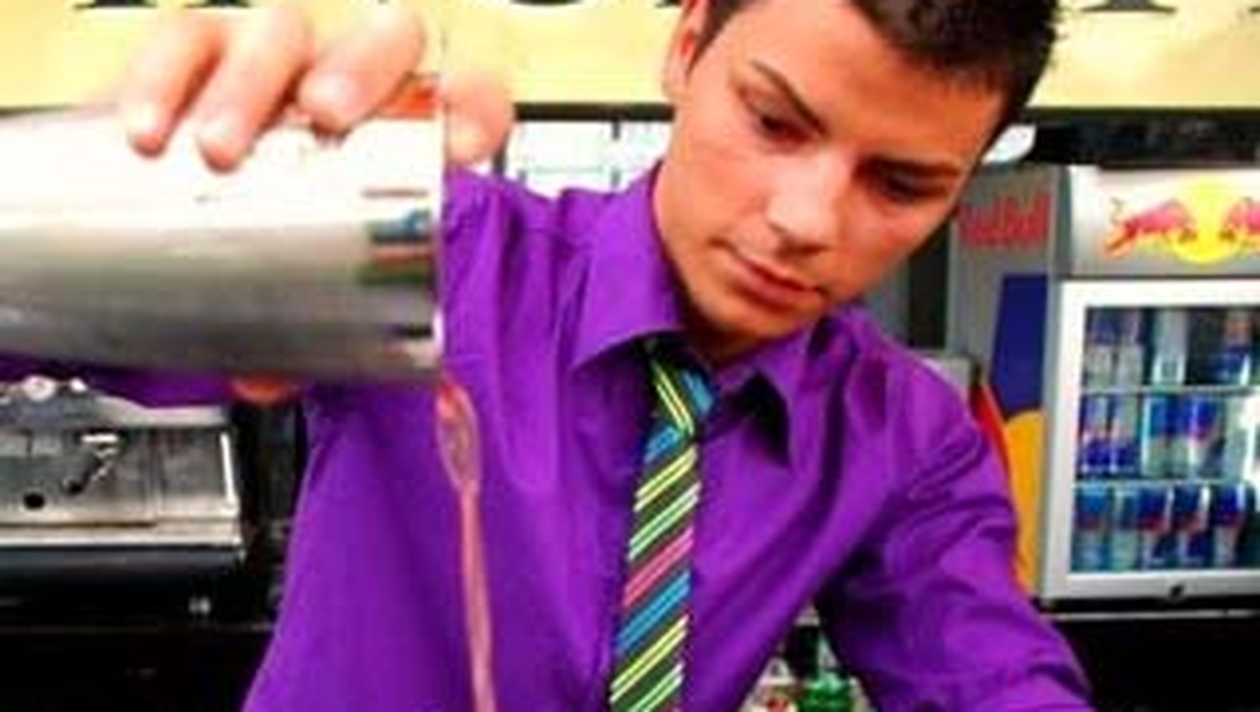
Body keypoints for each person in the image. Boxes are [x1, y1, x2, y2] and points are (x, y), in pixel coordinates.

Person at [93, 0, 1097, 709]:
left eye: (902, 185)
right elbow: (34, 335)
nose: (806, 220)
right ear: (687, 46)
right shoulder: (433, 257)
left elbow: (991, 676)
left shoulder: (903, 435)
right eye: (774, 122)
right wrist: (130, 181)